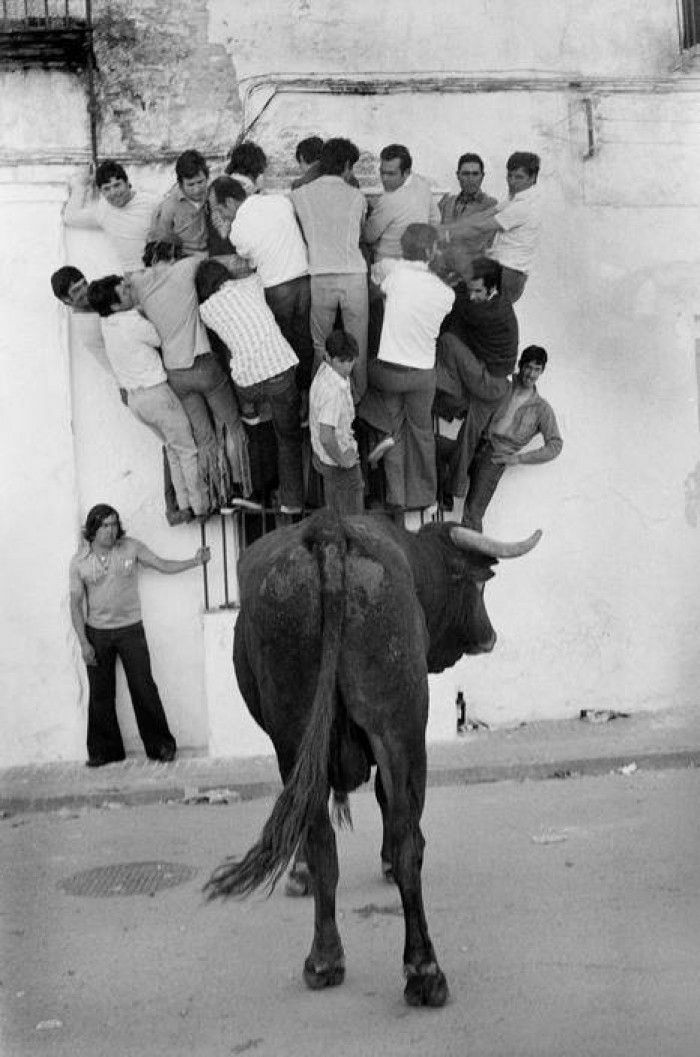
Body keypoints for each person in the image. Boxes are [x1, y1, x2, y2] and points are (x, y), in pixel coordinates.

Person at [69, 504, 211, 766]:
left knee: (143, 687)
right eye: (105, 526)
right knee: (101, 693)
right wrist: (84, 643)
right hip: (97, 633)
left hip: (130, 631)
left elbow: (161, 564)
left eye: (114, 524)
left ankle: (161, 747)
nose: (111, 531)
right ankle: (104, 751)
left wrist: (194, 561)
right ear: (93, 529)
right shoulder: (79, 561)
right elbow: (75, 604)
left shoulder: (131, 547)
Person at [126, 238, 253, 505]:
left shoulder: (139, 283)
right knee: (231, 425)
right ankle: (242, 487)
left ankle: (219, 496)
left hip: (175, 373)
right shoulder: (184, 269)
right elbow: (215, 262)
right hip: (202, 362)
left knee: (203, 437)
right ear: (173, 256)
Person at [86, 274, 208, 520]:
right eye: (124, 291)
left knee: (172, 450)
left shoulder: (107, 325)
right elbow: (156, 338)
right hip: (157, 395)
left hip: (136, 401)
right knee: (187, 450)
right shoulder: (132, 322)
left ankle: (184, 505)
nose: (130, 292)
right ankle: (201, 506)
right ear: (114, 305)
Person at [195, 259, 305, 515]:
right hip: (279, 374)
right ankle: (291, 502)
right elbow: (255, 272)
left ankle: (252, 416)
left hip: (247, 384)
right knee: (288, 439)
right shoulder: (250, 286)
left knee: (252, 427)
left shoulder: (206, 311)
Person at [358, 223, 454, 510]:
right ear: (431, 250)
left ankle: (395, 496)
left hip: (388, 372)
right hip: (423, 375)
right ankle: (426, 499)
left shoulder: (394, 272)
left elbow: (375, 281)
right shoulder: (446, 294)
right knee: (422, 433)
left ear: (403, 248)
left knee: (365, 378)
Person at [208, 176, 314, 406]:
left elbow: (250, 260)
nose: (221, 216)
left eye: (219, 209)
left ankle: (292, 400)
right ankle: (307, 394)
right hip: (305, 281)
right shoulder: (279, 201)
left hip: (277, 288)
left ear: (229, 202)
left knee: (284, 345)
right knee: (305, 339)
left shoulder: (237, 230)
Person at [436, 256, 519, 504]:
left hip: (490, 383)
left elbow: (459, 301)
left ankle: (455, 399)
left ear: (492, 288)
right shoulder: (492, 298)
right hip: (494, 380)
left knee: (448, 341)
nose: (472, 295)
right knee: (468, 438)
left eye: (477, 291)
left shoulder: (488, 311)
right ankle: (453, 490)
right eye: (471, 289)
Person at [292, 137, 368, 399]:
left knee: (320, 344)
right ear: (346, 164)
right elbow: (360, 232)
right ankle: (357, 399)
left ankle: (319, 397)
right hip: (353, 276)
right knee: (358, 342)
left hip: (320, 276)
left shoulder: (299, 195)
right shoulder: (357, 196)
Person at [461, 345, 563, 531]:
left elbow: (555, 445)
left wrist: (518, 458)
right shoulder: (505, 382)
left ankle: (471, 558)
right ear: (520, 365)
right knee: (436, 449)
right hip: (475, 440)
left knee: (472, 513)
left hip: (495, 456)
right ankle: (442, 496)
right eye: (528, 367)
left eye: (537, 370)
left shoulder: (541, 408)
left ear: (542, 372)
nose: (531, 374)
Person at [440, 151, 541, 304]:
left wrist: (447, 234)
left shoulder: (523, 206)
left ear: (533, 178)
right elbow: (486, 215)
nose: (512, 182)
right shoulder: (514, 199)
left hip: (509, 274)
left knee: (484, 316)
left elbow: (481, 227)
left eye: (519, 177)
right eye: (510, 176)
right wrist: (449, 229)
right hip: (499, 269)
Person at [62, 160, 158, 272]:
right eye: (107, 189)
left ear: (127, 183)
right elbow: (71, 217)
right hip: (132, 276)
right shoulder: (103, 210)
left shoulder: (152, 203)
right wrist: (81, 184)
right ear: (101, 191)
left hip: (157, 272)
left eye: (117, 185)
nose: (113, 192)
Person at [309, 330, 364, 515]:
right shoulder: (333, 392)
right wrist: (344, 461)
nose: (347, 367)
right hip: (337, 462)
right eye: (342, 361)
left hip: (324, 458)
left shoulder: (324, 371)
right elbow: (326, 436)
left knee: (335, 513)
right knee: (354, 520)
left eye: (351, 360)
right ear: (328, 357)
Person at [362, 144, 440, 262]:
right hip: (417, 263)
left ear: (407, 172)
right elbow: (435, 220)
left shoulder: (388, 199)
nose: (384, 178)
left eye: (391, 174)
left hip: (386, 265)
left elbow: (368, 236)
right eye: (382, 172)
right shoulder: (423, 186)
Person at [148, 149, 210, 258]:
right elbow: (163, 242)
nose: (197, 190)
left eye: (200, 182)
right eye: (190, 185)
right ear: (180, 184)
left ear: (207, 178)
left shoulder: (213, 195)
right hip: (184, 260)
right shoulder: (169, 207)